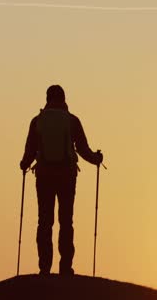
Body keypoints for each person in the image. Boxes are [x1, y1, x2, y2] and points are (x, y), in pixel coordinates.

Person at [19, 85, 104, 276]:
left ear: (47, 98)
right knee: (66, 221)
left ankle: (44, 267)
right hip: (67, 176)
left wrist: (24, 164)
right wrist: (96, 159)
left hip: (44, 176)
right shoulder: (72, 121)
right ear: (64, 99)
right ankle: (65, 266)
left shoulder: (38, 121)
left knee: (44, 221)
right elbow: (83, 150)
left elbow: (30, 151)